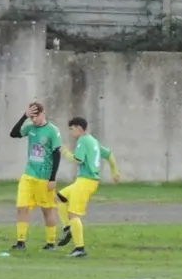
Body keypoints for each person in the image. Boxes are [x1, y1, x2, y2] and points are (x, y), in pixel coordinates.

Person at [56, 117, 116, 258]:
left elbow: (78, 159)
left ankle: (79, 248)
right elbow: (109, 154)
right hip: (86, 181)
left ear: (79, 128)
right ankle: (67, 228)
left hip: (86, 181)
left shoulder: (82, 140)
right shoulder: (93, 140)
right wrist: (115, 171)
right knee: (60, 197)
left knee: (73, 214)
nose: (71, 133)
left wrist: (65, 152)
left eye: (71, 129)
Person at [10, 102, 62, 252]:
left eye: (36, 116)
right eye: (31, 117)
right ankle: (20, 242)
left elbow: (56, 154)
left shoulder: (52, 131)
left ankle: (51, 243)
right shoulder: (30, 128)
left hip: (44, 177)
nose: (34, 120)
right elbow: (13, 134)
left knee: (47, 210)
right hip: (29, 174)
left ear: (43, 114)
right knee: (22, 207)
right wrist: (23, 117)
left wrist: (52, 178)